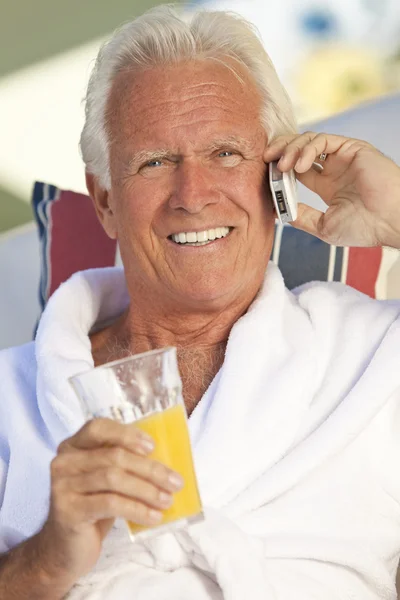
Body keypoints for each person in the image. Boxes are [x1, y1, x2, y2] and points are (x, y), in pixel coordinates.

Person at [1, 5, 400, 599]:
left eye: (227, 154)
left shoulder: (375, 355)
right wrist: (47, 559)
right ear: (106, 200)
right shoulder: (11, 398)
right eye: (155, 162)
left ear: (277, 178)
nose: (193, 196)